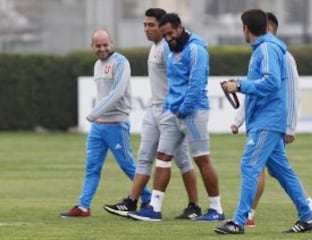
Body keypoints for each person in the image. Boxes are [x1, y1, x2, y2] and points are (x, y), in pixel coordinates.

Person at [214, 9, 312, 234]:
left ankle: (239, 221)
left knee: (249, 165)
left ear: (246, 28)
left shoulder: (267, 48)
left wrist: (239, 86)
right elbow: (264, 83)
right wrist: (240, 85)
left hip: (267, 120)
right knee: (282, 171)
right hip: (265, 119)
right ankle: (307, 217)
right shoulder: (265, 49)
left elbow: (271, 83)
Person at [103, 8, 202, 220]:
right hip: (153, 110)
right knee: (144, 157)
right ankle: (131, 201)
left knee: (182, 161)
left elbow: (181, 79)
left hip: (169, 111)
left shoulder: (169, 48)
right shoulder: (155, 47)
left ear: (163, 27)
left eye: (151, 25)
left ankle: (194, 206)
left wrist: (176, 108)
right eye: (145, 25)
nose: (147, 29)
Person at [128, 13, 225, 221]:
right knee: (162, 157)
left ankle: (216, 209)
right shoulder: (171, 51)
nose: (168, 38)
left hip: (194, 113)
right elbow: (173, 83)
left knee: (202, 160)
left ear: (180, 27)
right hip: (174, 112)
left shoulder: (196, 49)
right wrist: (173, 108)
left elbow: (196, 84)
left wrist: (184, 108)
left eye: (171, 33)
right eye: (165, 36)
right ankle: (154, 208)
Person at [60, 29, 151, 218]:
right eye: (98, 45)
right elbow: (104, 94)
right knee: (92, 167)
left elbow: (117, 92)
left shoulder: (121, 62)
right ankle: (83, 206)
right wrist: (96, 117)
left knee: (127, 165)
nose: (102, 49)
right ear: (92, 46)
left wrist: (94, 113)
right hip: (98, 127)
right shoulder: (97, 65)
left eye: (105, 44)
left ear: (112, 42)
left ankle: (148, 198)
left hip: (116, 124)